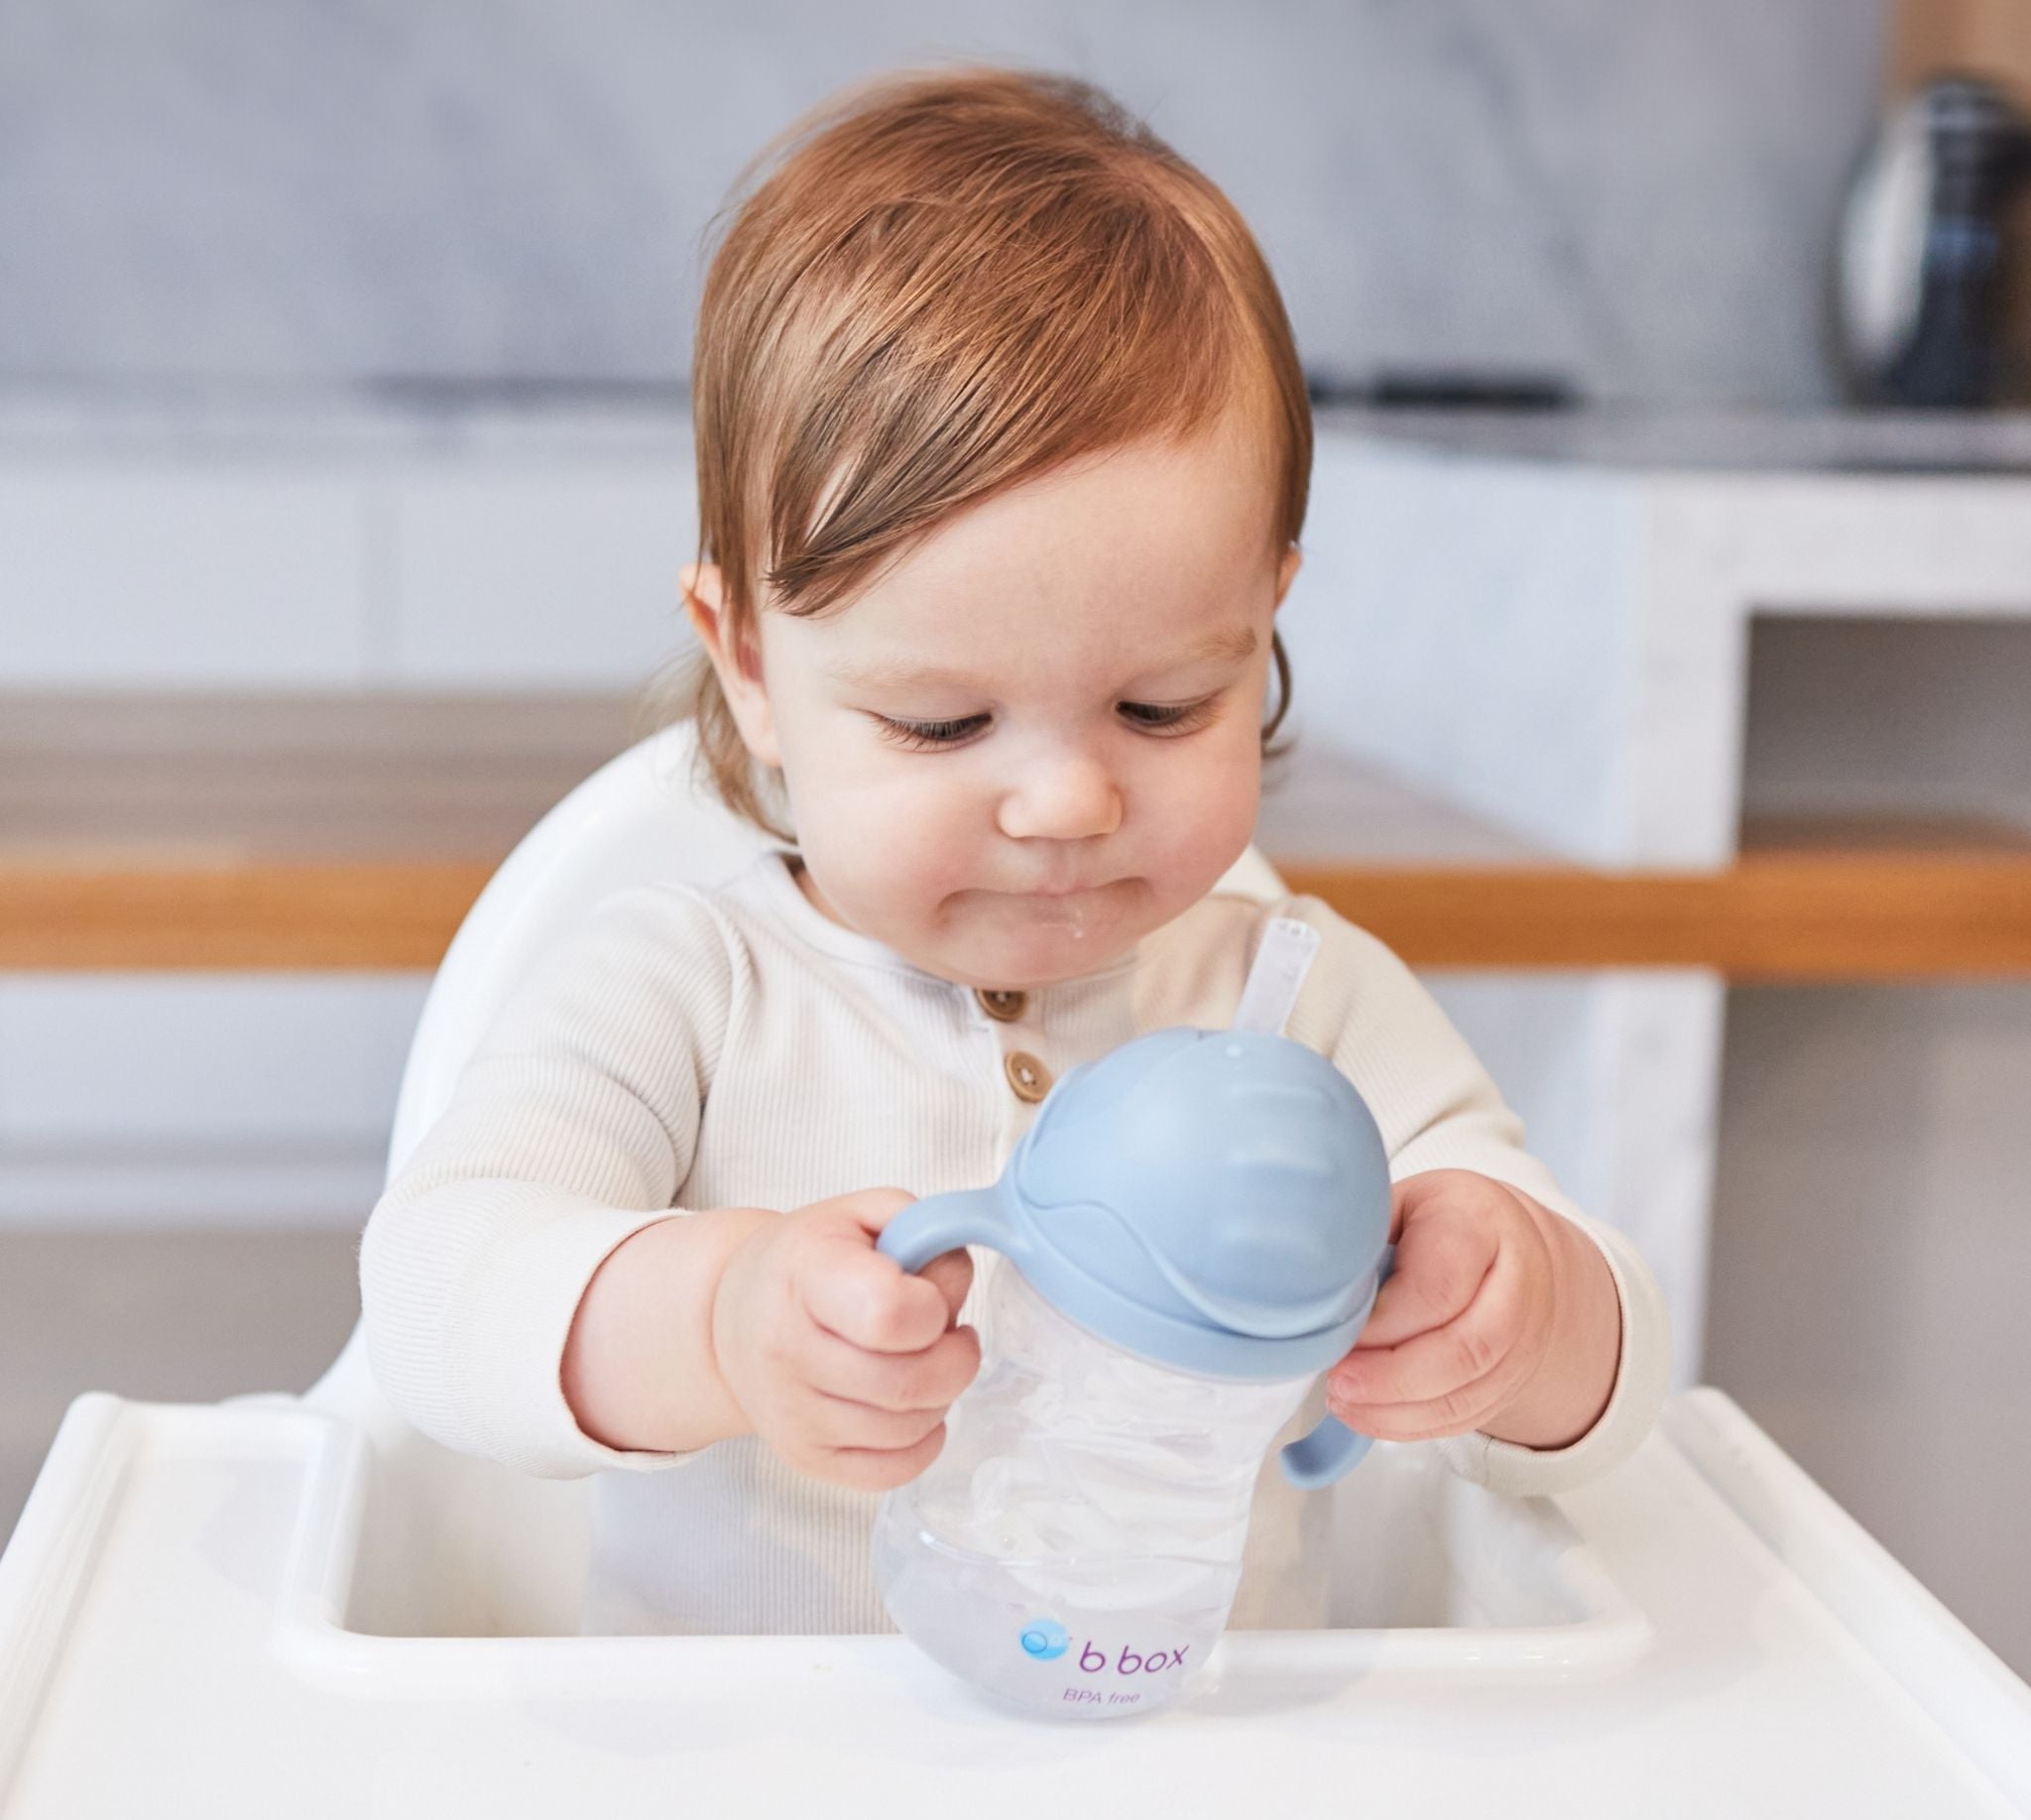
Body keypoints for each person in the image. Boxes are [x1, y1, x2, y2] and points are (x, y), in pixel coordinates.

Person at [359, 63, 1669, 1638]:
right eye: (941, 725)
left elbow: (1616, 1356)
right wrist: (713, 1320)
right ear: (750, 666)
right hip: (752, 1819)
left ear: (1264, 629)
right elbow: (437, 1294)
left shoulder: (1299, 998)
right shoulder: (686, 989)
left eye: (1163, 705)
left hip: (1196, 1808)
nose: (1066, 805)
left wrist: (1524, 1318)